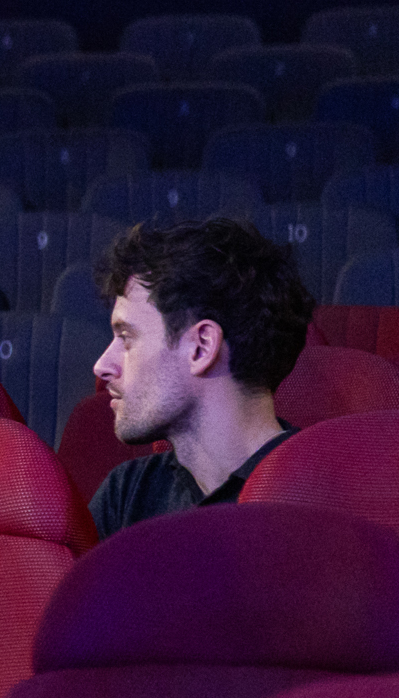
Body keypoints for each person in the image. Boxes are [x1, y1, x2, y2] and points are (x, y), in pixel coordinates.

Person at [88, 217, 314, 539]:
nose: (101, 366)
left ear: (201, 347)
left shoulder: (320, 495)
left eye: (126, 338)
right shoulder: (127, 494)